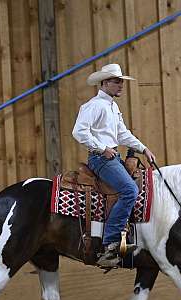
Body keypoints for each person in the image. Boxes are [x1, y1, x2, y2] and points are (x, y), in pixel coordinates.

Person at [72, 63, 156, 267]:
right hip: (101, 158)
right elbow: (79, 131)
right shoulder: (94, 105)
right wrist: (102, 148)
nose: (121, 85)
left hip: (112, 157)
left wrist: (143, 148)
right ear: (104, 83)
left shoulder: (112, 106)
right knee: (130, 190)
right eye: (117, 82)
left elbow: (122, 134)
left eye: (121, 82)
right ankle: (110, 243)